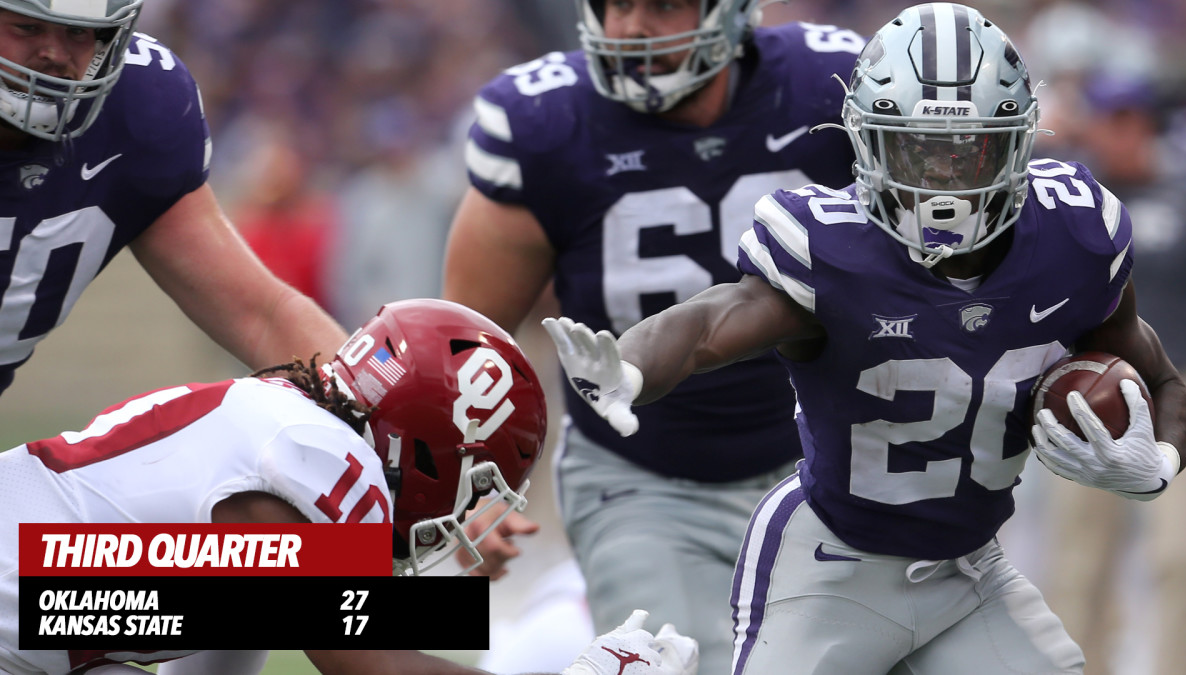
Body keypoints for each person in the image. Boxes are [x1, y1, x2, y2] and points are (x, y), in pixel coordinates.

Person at [541, 3, 1186, 673]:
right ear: (866, 140)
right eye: (917, 148)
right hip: (829, 568)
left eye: (966, 150)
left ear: (1018, 140)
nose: (941, 181)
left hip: (969, 574)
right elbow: (712, 321)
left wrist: (1160, 464)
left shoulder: (1075, 236)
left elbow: (1165, 379)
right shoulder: (834, 248)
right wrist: (632, 366)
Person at [442, 2, 863, 671]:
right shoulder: (546, 123)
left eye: (662, 4)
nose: (630, 29)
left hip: (824, 467)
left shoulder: (836, 88)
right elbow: (468, 342)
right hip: (641, 476)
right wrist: (461, 492)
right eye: (616, 5)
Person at [0, 298, 698, 675]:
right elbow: (374, 668)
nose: (465, 510)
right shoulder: (318, 458)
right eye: (478, 481)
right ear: (436, 451)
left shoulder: (286, 426)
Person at [0, 0, 347, 397]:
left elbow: (262, 317)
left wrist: (371, 407)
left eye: (78, 31)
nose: (55, 54)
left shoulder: (138, 103)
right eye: (27, 28)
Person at [1036, 72, 1186, 675]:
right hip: (1088, 392)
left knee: (1181, 556)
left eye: (1132, 120)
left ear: (1148, 124)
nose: (1121, 133)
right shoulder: (1073, 201)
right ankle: (1085, 666)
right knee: (1081, 559)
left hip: (1179, 382)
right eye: (1111, 119)